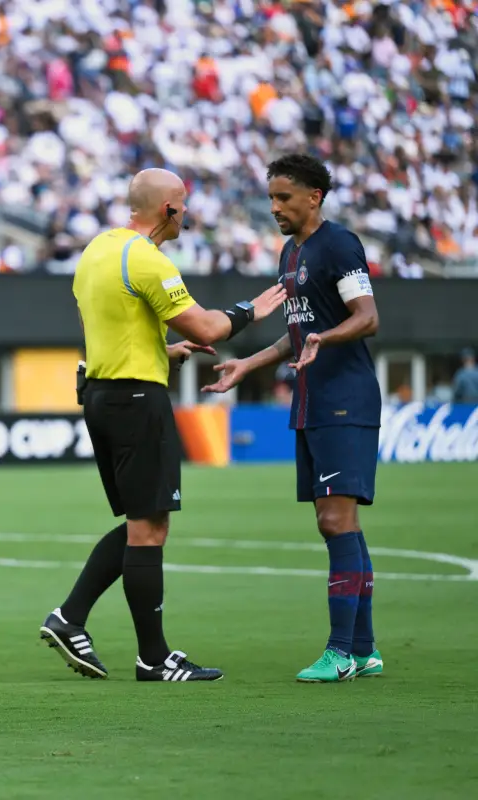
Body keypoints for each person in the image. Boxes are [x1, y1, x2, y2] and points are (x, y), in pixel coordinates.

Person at [39, 168, 286, 683]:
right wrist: (251, 310)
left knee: (139, 522)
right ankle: (153, 658)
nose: (188, 215)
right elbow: (210, 326)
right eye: (185, 206)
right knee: (151, 527)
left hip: (102, 394)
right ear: (169, 209)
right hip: (136, 400)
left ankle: (70, 617)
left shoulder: (97, 251)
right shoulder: (148, 260)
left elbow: (105, 326)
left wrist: (163, 351)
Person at [202, 154, 383, 683]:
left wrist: (325, 337)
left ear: (314, 196)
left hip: (344, 398)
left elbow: (367, 318)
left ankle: (341, 652)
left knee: (334, 520)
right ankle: (364, 650)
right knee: (339, 522)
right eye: (271, 198)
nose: (275, 207)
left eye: (284, 197)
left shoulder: (340, 245)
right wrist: (248, 365)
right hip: (312, 400)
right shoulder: (290, 252)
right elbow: (297, 333)